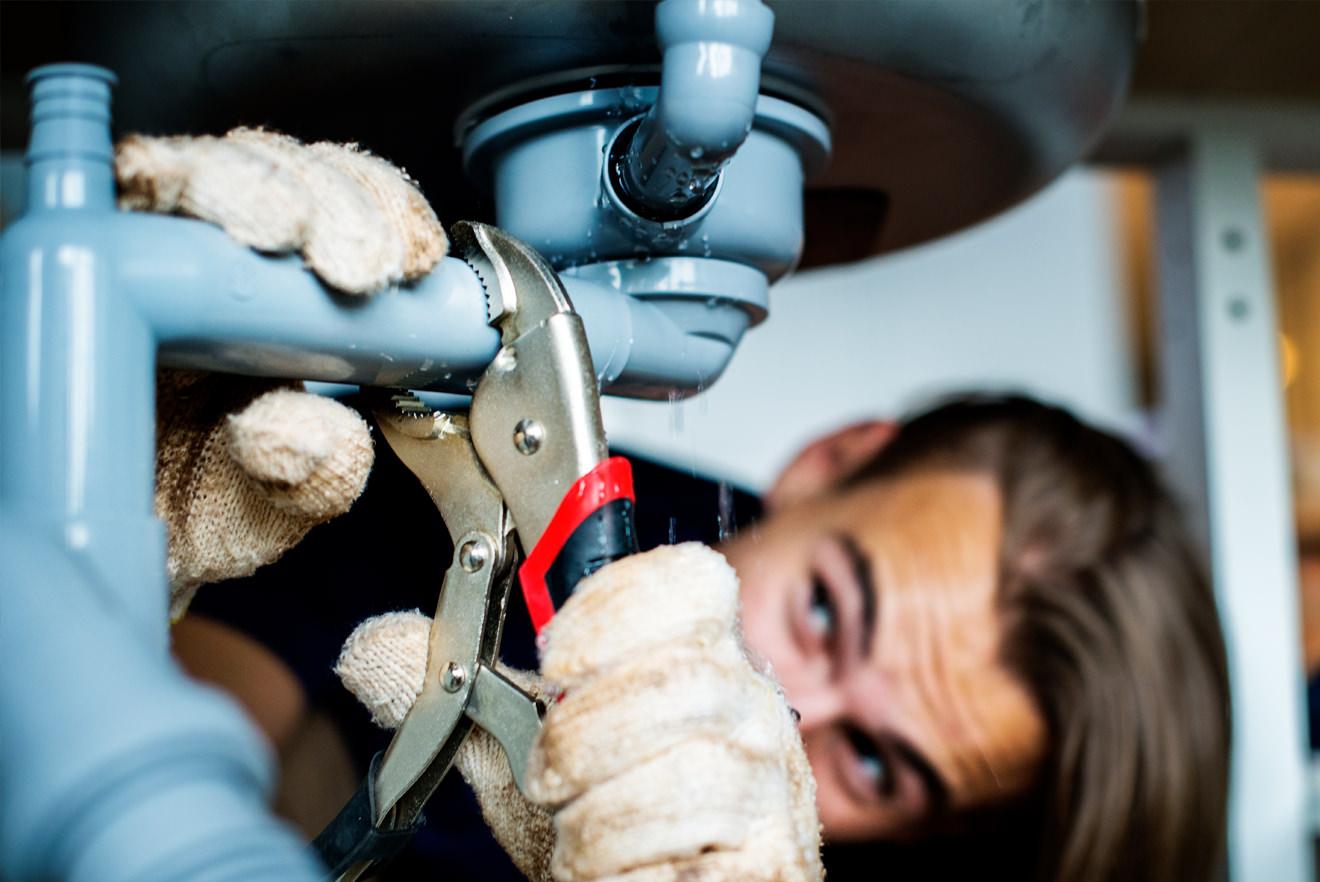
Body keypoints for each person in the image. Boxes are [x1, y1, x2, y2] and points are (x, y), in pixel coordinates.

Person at [128, 131, 1230, 882]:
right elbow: (194, 736)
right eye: (825, 610)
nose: (777, 701)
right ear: (830, 464)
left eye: (877, 764)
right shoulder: (482, 476)